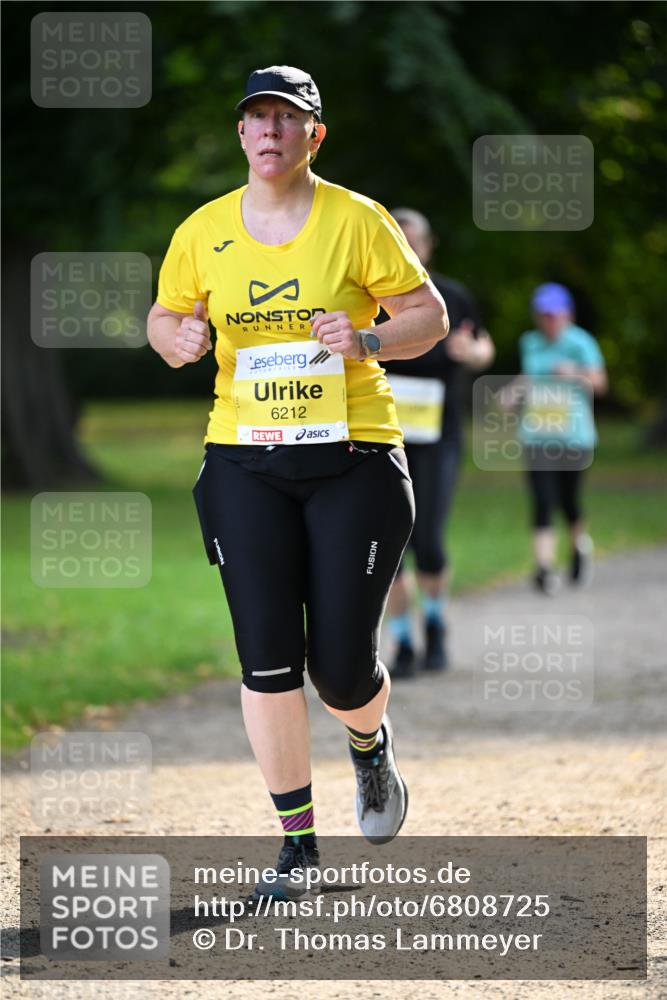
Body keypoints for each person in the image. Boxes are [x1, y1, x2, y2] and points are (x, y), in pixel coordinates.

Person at [146, 67, 448, 899]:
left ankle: (368, 741)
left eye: (287, 118)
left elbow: (428, 318)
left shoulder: (357, 220)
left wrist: (367, 340)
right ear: (240, 136)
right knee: (267, 660)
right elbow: (165, 315)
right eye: (256, 119)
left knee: (341, 672)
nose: (269, 131)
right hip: (244, 459)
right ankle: (297, 850)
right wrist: (174, 339)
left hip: (353, 457)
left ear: (314, 134)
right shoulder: (203, 230)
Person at [380, 209, 495, 678]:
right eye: (397, 243)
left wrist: (473, 353)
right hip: (381, 438)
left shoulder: (451, 296)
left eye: (414, 243)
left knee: (428, 539)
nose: (408, 252)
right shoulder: (367, 295)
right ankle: (404, 641)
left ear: (428, 246)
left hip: (437, 438)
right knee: (390, 544)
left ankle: (436, 623)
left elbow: (485, 347)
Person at [517, 283, 607, 595]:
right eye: (543, 315)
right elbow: (529, 377)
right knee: (542, 501)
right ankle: (544, 568)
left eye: (554, 314)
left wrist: (574, 373)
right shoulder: (529, 342)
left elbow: (600, 383)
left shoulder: (581, 342)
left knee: (568, 501)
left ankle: (580, 546)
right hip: (537, 434)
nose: (549, 320)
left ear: (567, 313)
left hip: (573, 437)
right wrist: (512, 391)